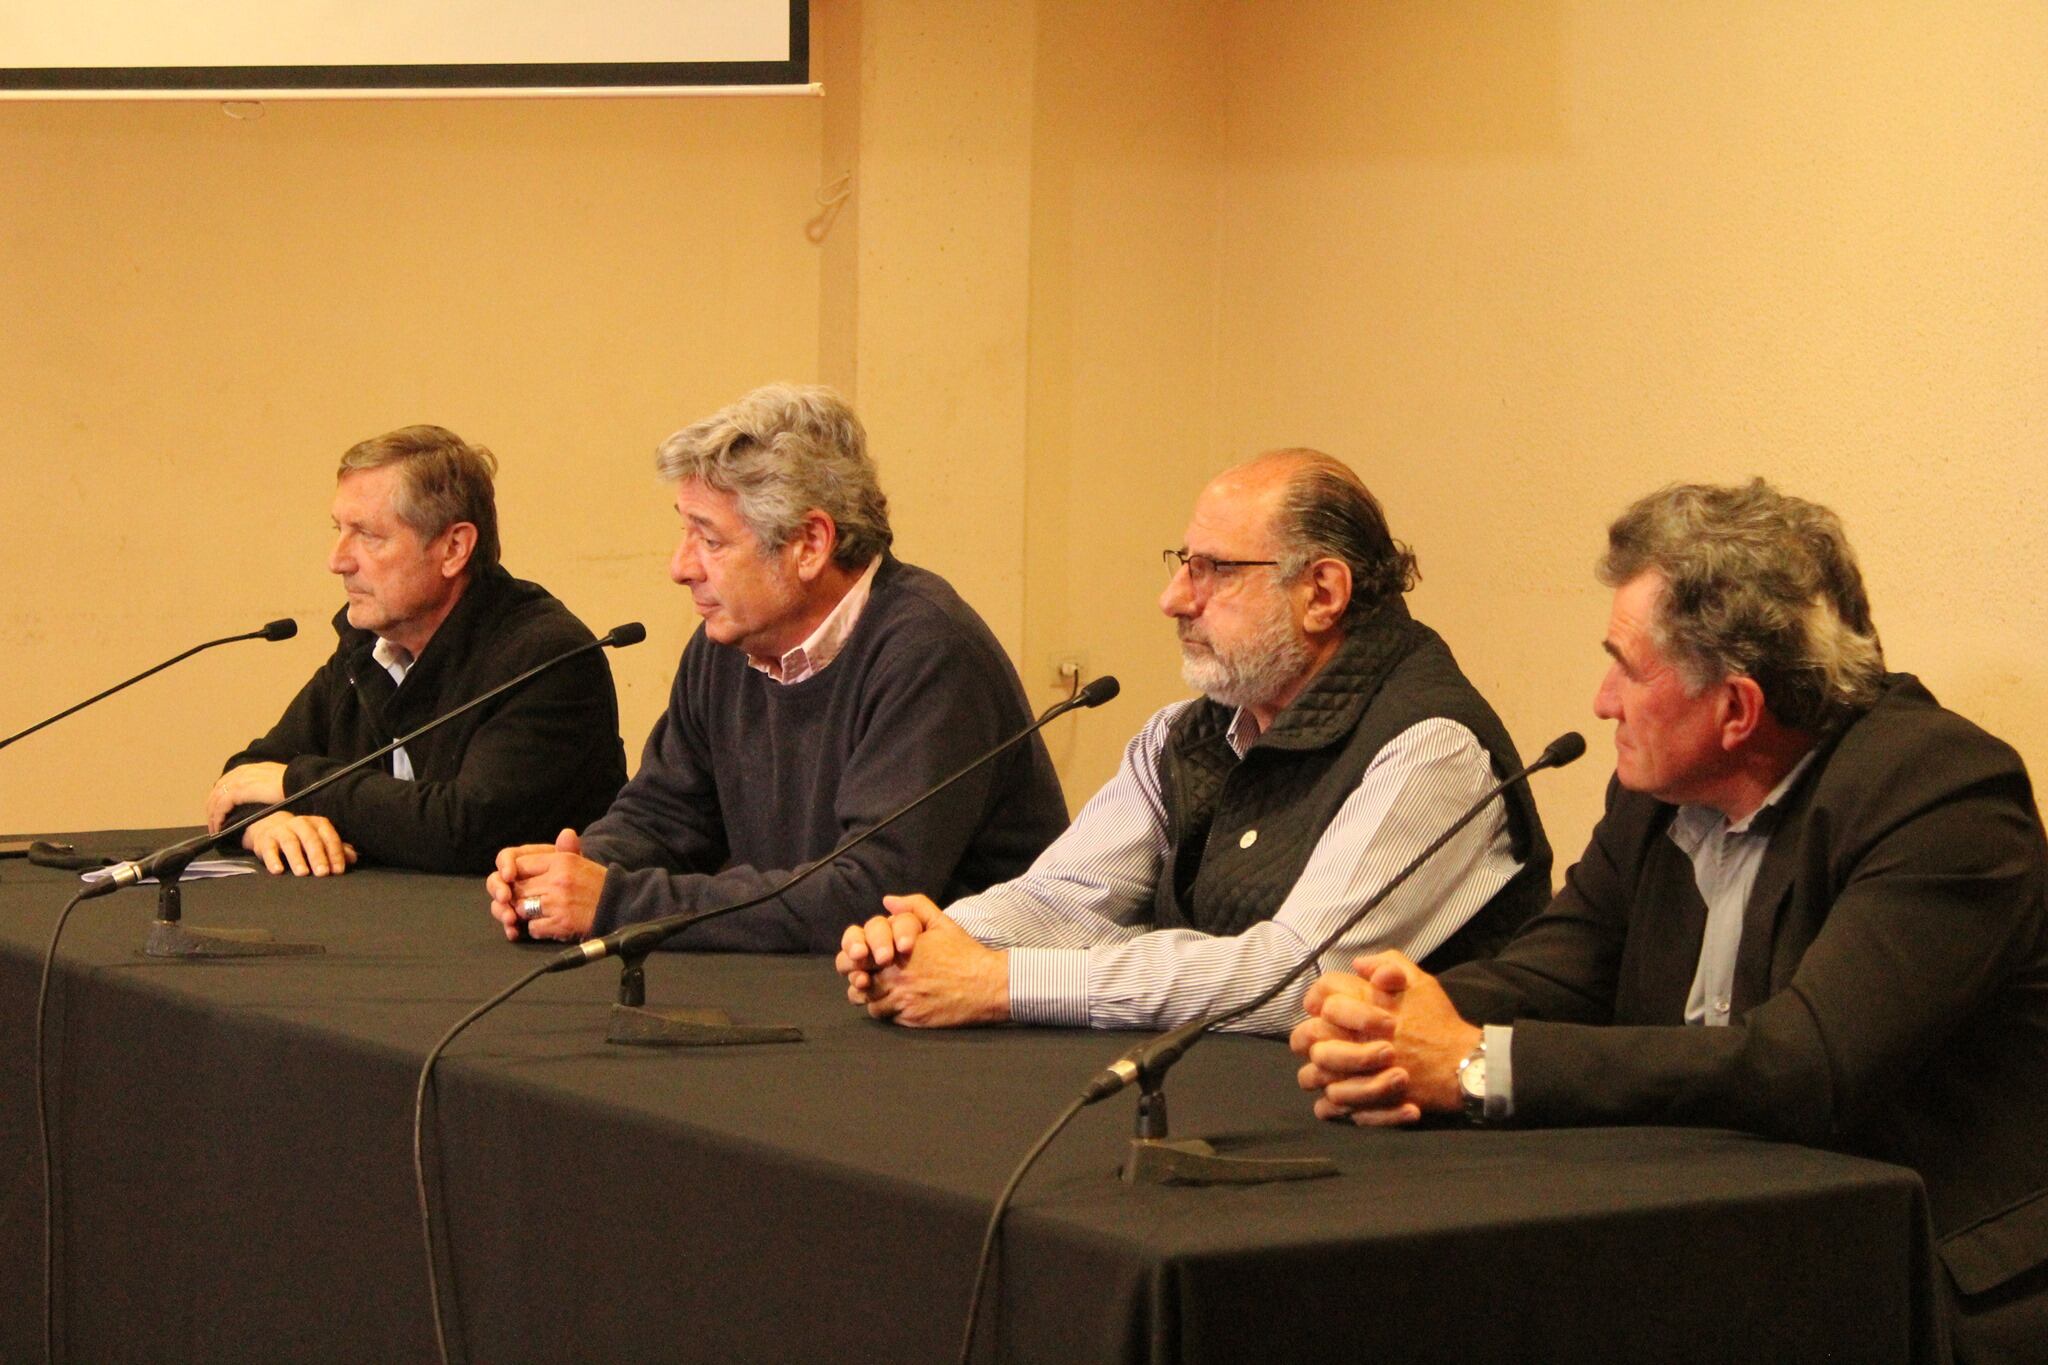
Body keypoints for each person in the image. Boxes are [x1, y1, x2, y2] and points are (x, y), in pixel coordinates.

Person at [1291, 479, 2048, 1362]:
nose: (1601, 700)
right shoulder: (1656, 793)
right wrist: (1394, 1014)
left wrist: (1470, 1063)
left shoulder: (1941, 795)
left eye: (1627, 665)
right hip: (1718, 1232)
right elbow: (1563, 965)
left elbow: (1805, 1063)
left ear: (1736, 710)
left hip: (1926, 1279)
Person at [836, 449, 1553, 1033]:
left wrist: (1005, 981)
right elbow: (1068, 896)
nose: (1174, 597)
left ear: (1323, 593)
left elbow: (1294, 979)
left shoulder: (1433, 750)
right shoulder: (1187, 732)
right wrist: (927, 938)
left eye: (1214, 569)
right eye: (1183, 562)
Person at [487, 384, 1068, 952]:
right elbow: (665, 815)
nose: (680, 566)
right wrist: (574, 868)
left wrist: (616, 902)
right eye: (684, 530)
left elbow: (867, 892)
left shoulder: (930, 652)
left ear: (810, 544)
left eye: (709, 539)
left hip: (958, 1018)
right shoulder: (727, 643)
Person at [207, 425, 627, 876]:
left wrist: (299, 785)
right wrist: (267, 825)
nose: (338, 560)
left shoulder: (546, 657)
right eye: (339, 530)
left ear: (454, 548)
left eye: (367, 535)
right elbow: (247, 775)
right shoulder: (369, 649)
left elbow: (465, 829)